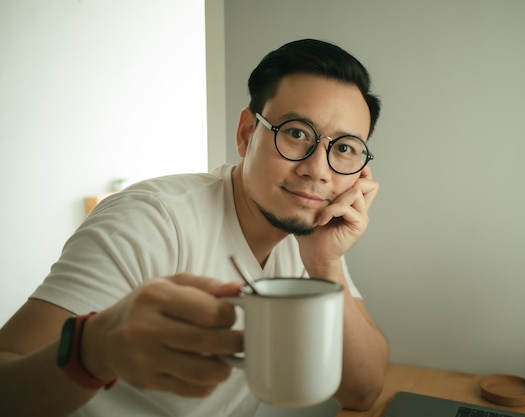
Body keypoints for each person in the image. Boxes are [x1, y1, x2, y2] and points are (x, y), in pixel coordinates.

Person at [0, 38, 389, 417]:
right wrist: (95, 349)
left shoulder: (312, 236)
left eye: (343, 148)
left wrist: (326, 265)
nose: (317, 171)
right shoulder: (150, 220)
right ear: (246, 133)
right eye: (296, 133)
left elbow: (362, 391)